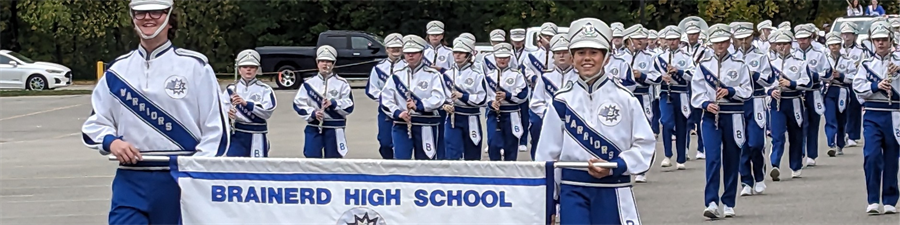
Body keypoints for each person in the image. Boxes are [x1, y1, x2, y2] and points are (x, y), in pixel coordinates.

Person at [80, 0, 229, 223]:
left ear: (169, 18)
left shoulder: (196, 67)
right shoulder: (117, 70)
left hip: (180, 179)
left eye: (156, 12)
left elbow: (217, 132)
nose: (148, 17)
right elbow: (95, 125)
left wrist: (195, 171)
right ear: (132, 18)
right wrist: (112, 142)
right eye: (140, 13)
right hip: (130, 178)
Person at [535, 17, 655, 225]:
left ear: (606, 58)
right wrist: (548, 203)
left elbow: (645, 145)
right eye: (581, 53)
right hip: (572, 188)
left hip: (613, 189)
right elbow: (547, 156)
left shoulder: (625, 98)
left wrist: (616, 165)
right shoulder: (561, 100)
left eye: (594, 53)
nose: (587, 58)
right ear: (572, 58)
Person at [691, 24, 752, 219]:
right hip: (710, 117)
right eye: (717, 43)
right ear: (711, 44)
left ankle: (729, 202)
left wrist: (731, 91)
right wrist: (706, 103)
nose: (721, 46)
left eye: (724, 42)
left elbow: (748, 91)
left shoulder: (740, 63)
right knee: (713, 159)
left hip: (733, 116)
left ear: (729, 42)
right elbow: (696, 93)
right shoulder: (703, 64)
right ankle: (711, 201)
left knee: (732, 159)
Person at [852, 20, 899, 215]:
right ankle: (872, 199)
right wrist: (876, 86)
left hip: (894, 115)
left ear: (890, 40)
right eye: (877, 40)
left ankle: (890, 199)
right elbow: (857, 86)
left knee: (891, 158)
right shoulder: (865, 63)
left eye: (884, 40)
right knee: (871, 156)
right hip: (872, 114)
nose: (880, 43)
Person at [380, 35, 446, 160]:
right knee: (401, 161)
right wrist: (398, 113)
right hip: (402, 124)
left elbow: (439, 98)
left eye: (414, 53)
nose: (410, 56)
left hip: (425, 124)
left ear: (421, 54)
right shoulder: (396, 75)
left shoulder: (433, 75)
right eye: (407, 53)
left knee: (426, 162)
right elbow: (386, 98)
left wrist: (419, 106)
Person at [731, 22, 773, 196]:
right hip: (738, 101)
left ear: (752, 37)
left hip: (755, 100)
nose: (743, 42)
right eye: (739, 39)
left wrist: (752, 74)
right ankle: (746, 181)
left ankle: (759, 177)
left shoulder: (761, 56)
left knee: (755, 143)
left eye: (746, 38)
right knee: (741, 143)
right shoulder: (731, 57)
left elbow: (769, 79)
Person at [293, 45, 355, 158]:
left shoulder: (342, 83)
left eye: (328, 61)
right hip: (314, 126)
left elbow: (349, 106)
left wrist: (334, 103)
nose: (325, 64)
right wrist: (313, 113)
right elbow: (298, 103)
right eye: (322, 61)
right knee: (311, 157)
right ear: (317, 63)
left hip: (334, 127)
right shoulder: (308, 83)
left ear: (333, 64)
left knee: (334, 160)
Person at [767, 29, 811, 181]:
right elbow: (764, 83)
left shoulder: (800, 63)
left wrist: (791, 83)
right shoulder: (770, 63)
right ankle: (775, 165)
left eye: (784, 44)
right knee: (777, 135)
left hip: (794, 101)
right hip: (777, 103)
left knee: (796, 135)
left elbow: (807, 82)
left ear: (790, 45)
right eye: (778, 44)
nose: (781, 47)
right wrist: (771, 92)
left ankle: (796, 165)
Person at [529, 34, 577, 160]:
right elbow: (536, 103)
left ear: (571, 55)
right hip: (547, 122)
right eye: (557, 53)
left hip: (572, 123)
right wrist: (548, 114)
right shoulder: (545, 77)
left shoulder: (579, 77)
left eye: (565, 52)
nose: (561, 56)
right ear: (553, 56)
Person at [223, 49, 277, 157]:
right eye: (244, 67)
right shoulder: (231, 89)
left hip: (257, 133)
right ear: (239, 70)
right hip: (237, 133)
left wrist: (246, 104)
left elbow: (268, 111)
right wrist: (228, 116)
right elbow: (221, 109)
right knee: (233, 165)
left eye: (252, 67)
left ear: (257, 70)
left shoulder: (265, 89)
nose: (248, 69)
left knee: (256, 167)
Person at [655, 25, 694, 170]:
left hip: (681, 93)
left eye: (674, 40)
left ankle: (681, 158)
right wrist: (661, 76)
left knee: (682, 125)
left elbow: (693, 75)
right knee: (666, 122)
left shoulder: (686, 57)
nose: (671, 43)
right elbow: (653, 75)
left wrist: (679, 71)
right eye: (669, 40)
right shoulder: (659, 58)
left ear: (679, 40)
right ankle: (667, 155)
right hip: (666, 92)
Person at [442, 37, 487, 160]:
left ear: (468, 55)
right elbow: (441, 95)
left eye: (461, 53)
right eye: (455, 52)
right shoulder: (446, 74)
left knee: (472, 153)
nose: (457, 56)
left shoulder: (477, 75)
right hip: (453, 117)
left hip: (471, 117)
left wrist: (463, 96)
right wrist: (444, 104)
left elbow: (482, 98)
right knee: (452, 152)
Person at [485, 43, 529, 161]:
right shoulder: (489, 76)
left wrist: (507, 95)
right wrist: (491, 103)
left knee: (511, 145)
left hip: (511, 114)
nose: (502, 60)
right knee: (493, 144)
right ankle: (495, 171)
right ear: (495, 58)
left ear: (509, 58)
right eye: (499, 57)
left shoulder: (517, 75)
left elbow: (523, 95)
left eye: (505, 57)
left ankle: (510, 173)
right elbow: (484, 96)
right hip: (494, 114)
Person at [365, 33, 406, 159]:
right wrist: (386, 99)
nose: (395, 50)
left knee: (403, 143)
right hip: (385, 111)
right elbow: (371, 89)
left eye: (398, 47)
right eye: (392, 47)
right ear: (387, 49)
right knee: (385, 142)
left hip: (404, 110)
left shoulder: (408, 67)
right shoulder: (379, 68)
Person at [794, 24, 829, 167]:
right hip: (797, 91)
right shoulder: (792, 53)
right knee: (800, 122)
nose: (802, 42)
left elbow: (827, 73)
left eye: (805, 38)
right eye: (799, 39)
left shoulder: (819, 52)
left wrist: (814, 76)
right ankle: (800, 152)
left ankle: (812, 153)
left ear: (810, 38)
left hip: (813, 91)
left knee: (813, 122)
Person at [524, 23, 558, 155]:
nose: (548, 39)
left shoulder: (560, 55)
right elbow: (526, 70)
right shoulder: (532, 56)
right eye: (546, 36)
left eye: (551, 37)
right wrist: (534, 79)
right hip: (537, 93)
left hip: (554, 94)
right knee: (536, 129)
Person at [823, 32, 857, 157]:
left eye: (836, 44)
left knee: (841, 118)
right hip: (829, 91)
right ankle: (831, 143)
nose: (834, 47)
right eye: (831, 45)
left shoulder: (847, 60)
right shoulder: (824, 59)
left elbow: (854, 77)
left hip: (842, 91)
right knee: (830, 117)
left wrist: (841, 76)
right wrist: (828, 76)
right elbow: (819, 74)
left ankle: (840, 143)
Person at [423, 21, 452, 160]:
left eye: (437, 34)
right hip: (427, 94)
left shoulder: (449, 53)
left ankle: (442, 158)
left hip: (445, 94)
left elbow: (455, 73)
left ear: (442, 35)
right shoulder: (421, 53)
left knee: (442, 129)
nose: (434, 37)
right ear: (427, 35)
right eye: (432, 34)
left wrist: (441, 70)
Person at [683, 19, 710, 160]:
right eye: (689, 34)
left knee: (699, 118)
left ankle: (701, 148)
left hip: (699, 86)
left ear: (698, 34)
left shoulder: (705, 51)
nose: (692, 37)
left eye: (694, 34)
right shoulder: (682, 51)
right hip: (686, 85)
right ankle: (685, 149)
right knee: (686, 119)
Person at [841, 22, 868, 147]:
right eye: (844, 34)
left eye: (849, 34)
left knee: (854, 108)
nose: (847, 37)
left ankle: (852, 134)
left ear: (854, 36)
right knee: (841, 110)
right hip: (839, 82)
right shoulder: (836, 48)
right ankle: (841, 134)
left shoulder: (861, 51)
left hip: (853, 82)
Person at [509, 28, 531, 153]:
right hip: (510, 86)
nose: (518, 43)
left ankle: (523, 140)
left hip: (524, 86)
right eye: (515, 40)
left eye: (520, 40)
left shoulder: (530, 52)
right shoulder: (507, 53)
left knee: (524, 115)